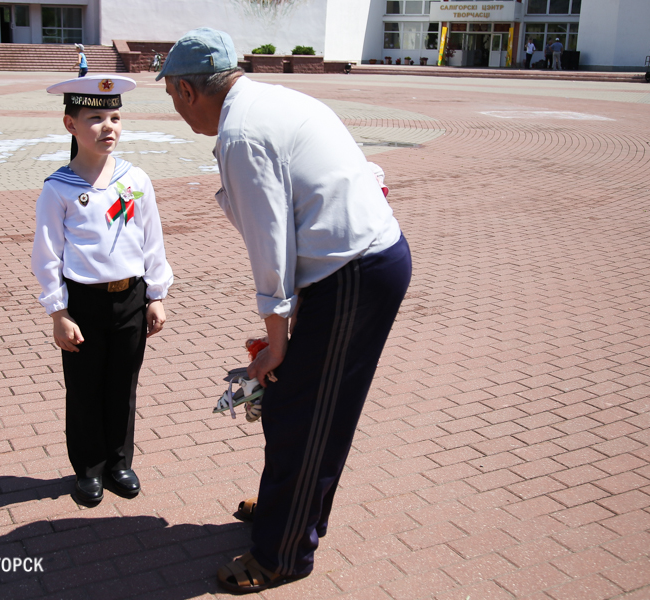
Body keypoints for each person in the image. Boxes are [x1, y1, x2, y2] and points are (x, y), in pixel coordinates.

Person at [157, 28, 411, 593]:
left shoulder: (242, 134)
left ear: (186, 89)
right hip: (361, 261)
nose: (175, 109)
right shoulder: (277, 99)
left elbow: (270, 249)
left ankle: (282, 553)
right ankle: (291, 511)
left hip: (353, 273)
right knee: (311, 408)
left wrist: (277, 341)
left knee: (304, 412)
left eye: (171, 97)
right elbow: (366, 173)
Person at [31, 75, 173, 505]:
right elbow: (47, 253)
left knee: (122, 385)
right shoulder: (59, 188)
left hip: (131, 298)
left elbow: (152, 239)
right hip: (84, 303)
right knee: (85, 387)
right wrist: (59, 312)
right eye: (94, 118)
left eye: (114, 116)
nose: (108, 126)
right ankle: (88, 469)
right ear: (70, 125)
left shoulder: (135, 180)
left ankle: (118, 462)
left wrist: (157, 295)